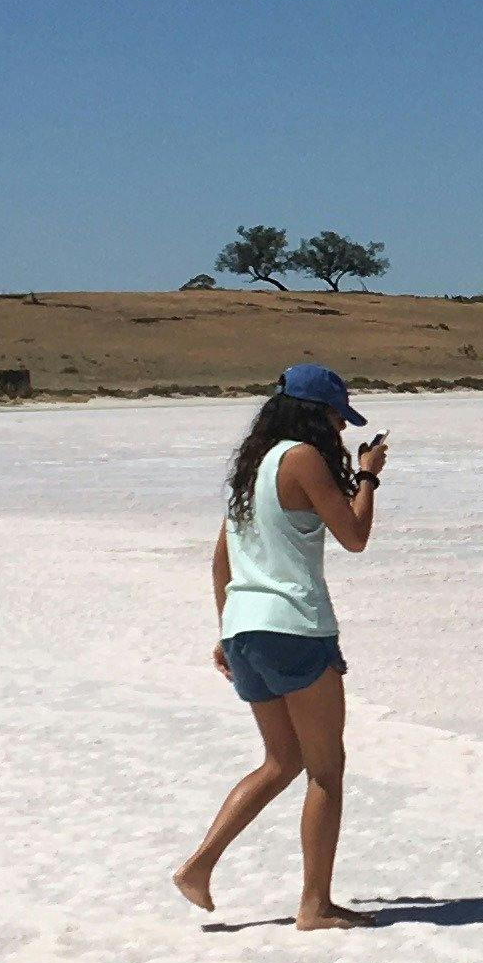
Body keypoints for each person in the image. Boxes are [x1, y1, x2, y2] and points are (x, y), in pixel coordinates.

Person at [175, 363, 390, 926]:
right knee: (325, 771)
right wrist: (368, 477)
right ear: (314, 414)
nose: (340, 431)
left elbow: (222, 560)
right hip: (294, 626)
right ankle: (314, 905)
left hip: (246, 627)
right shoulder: (302, 458)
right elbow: (355, 536)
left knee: (280, 760)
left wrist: (227, 631)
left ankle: (199, 866)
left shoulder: (249, 470)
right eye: (336, 417)